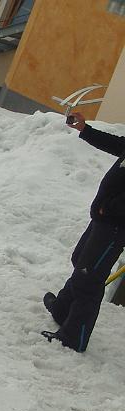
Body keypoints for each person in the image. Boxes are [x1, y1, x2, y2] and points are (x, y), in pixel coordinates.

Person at [42, 112, 125, 352]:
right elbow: (118, 144)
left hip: (116, 224)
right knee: (80, 261)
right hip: (104, 218)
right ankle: (62, 310)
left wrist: (109, 207)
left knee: (89, 277)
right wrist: (85, 130)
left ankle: (74, 337)